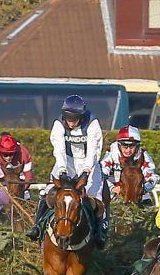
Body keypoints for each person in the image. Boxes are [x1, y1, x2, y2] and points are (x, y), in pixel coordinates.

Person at [27, 94, 107, 247]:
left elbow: (93, 151)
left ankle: (98, 233)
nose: (70, 123)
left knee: (93, 196)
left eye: (74, 119)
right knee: (49, 191)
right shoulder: (59, 123)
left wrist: (86, 172)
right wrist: (62, 171)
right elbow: (59, 149)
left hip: (88, 161)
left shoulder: (92, 123)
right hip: (67, 160)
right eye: (68, 119)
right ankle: (37, 226)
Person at [100, 125, 159, 202]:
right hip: (113, 194)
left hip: (137, 195)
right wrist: (112, 188)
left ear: (137, 147)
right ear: (119, 145)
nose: (128, 150)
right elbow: (101, 175)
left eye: (131, 147)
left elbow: (153, 178)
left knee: (148, 202)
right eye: (125, 147)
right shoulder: (111, 153)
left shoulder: (143, 156)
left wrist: (143, 189)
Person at [0, 132, 34, 198]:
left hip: (18, 181)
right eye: (5, 155)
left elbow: (28, 177)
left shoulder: (24, 154)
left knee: (26, 196)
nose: (8, 157)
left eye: (11, 154)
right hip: (0, 181)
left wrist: (21, 190)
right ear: (0, 152)